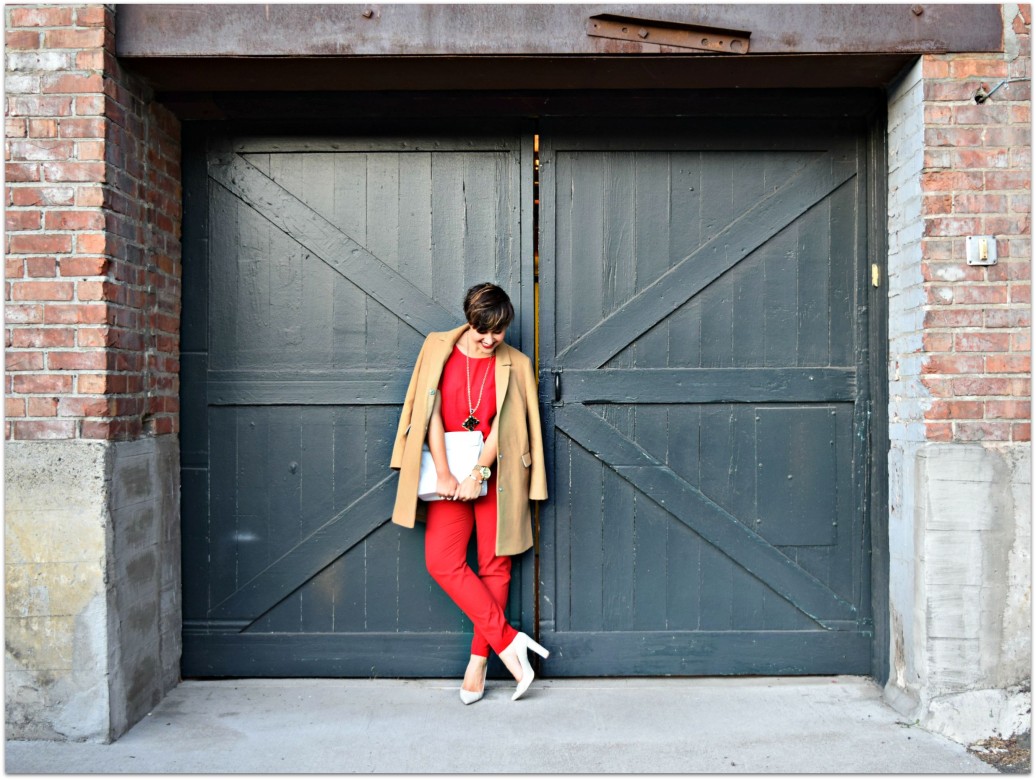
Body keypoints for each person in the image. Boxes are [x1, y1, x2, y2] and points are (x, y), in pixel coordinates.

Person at [390, 282, 549, 703]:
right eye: (481, 330)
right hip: (447, 468)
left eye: (497, 332)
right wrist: (444, 473)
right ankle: (509, 642)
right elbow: (430, 411)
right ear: (468, 318)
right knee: (442, 561)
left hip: (495, 472)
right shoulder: (437, 347)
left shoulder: (516, 362)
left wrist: (479, 473)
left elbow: (507, 425)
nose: (488, 340)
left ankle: (479, 660)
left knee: (495, 566)